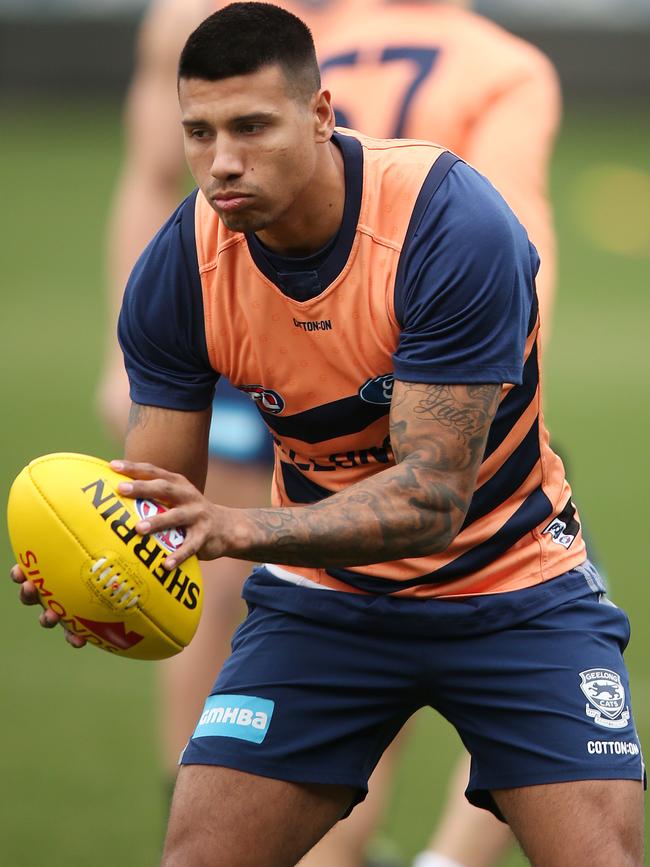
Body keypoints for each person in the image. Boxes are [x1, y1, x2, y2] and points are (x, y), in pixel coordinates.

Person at [14, 3, 643, 867]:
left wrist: (238, 529)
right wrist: (102, 566)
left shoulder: (452, 227)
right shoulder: (179, 270)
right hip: (327, 604)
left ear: (321, 115)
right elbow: (156, 505)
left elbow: (430, 501)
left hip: (512, 587)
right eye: (199, 132)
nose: (222, 162)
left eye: (251, 127)